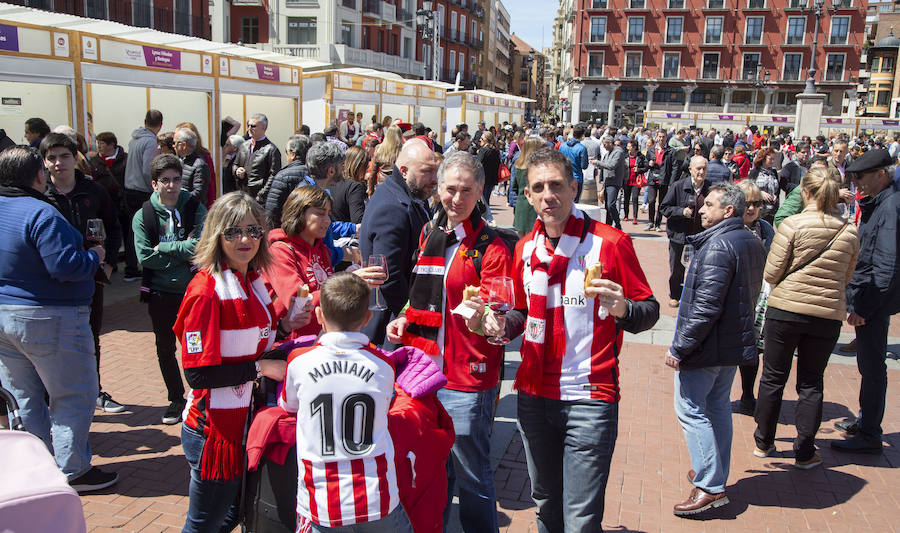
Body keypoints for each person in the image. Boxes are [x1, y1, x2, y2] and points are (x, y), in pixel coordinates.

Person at [499, 147, 658, 532]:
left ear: (574, 188)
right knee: (545, 505)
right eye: (538, 187)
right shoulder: (524, 249)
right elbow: (520, 312)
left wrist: (623, 309)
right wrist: (501, 327)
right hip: (534, 397)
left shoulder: (611, 243)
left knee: (581, 517)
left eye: (556, 185)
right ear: (529, 196)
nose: (548, 194)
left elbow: (648, 310)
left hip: (589, 397)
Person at [386, 151, 512, 533]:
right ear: (438, 187)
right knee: (431, 472)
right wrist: (404, 315)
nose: (457, 199)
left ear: (480, 192)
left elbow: (496, 307)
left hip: (467, 376)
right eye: (450, 189)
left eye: (466, 191)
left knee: (472, 476)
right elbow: (422, 291)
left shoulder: (492, 245)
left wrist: (485, 315)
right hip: (424, 372)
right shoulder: (430, 233)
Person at [0, 146, 118, 492]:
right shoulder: (41, 213)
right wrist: (94, 256)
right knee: (73, 394)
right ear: (38, 175)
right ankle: (73, 470)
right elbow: (66, 267)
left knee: (24, 396)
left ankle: (36, 467)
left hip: (6, 317)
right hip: (50, 317)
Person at [174, 192, 292, 533]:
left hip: (242, 425)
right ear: (216, 235)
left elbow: (251, 341)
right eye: (234, 232)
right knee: (204, 525)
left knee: (229, 516)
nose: (246, 240)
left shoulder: (250, 280)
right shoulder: (206, 292)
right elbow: (197, 374)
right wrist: (261, 369)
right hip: (212, 433)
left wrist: (286, 326)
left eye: (254, 231)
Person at [281, 273, 416, 532]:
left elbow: (289, 406)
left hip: (322, 497)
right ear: (367, 318)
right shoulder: (383, 364)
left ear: (319, 316)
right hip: (376, 494)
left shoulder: (298, 362)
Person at [666, 183, 765, 516]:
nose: (702, 209)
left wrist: (680, 347)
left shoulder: (720, 246)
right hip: (729, 344)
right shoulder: (748, 241)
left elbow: (706, 307)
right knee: (717, 407)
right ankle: (714, 474)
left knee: (692, 409)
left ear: (728, 211)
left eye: (709, 205)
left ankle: (710, 484)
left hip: (709, 346)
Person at [753, 168, 859, 468]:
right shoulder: (848, 230)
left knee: (773, 376)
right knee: (812, 382)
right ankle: (804, 449)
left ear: (806, 193)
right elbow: (847, 276)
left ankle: (764, 440)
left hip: (786, 308)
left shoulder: (792, 225)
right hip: (826, 314)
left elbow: (772, 273)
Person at [41, 132, 123, 413]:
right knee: (53, 342)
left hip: (90, 279)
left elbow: (113, 227)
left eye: (64, 156)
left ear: (75, 157)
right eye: (51, 158)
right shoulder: (41, 197)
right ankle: (55, 397)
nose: (58, 163)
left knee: (90, 338)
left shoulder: (93, 191)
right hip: (52, 283)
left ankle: (94, 391)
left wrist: (110, 263)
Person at [832, 149, 900, 454]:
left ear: (881, 174)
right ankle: (866, 421)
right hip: (871, 299)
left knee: (872, 368)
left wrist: (864, 308)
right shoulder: (882, 202)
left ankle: (870, 433)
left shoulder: (890, 207)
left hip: (873, 302)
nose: (857, 184)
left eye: (862, 178)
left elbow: (885, 266)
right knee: (868, 366)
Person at [133, 154, 208, 424]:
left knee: (196, 345)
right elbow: (144, 257)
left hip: (193, 291)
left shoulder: (194, 208)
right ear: (154, 184)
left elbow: (201, 247)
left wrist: (164, 248)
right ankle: (176, 398)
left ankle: (200, 396)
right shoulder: (144, 215)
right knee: (164, 347)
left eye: (176, 179)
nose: (172, 186)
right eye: (165, 180)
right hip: (160, 292)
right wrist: (183, 252)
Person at [359, 139, 438, 346]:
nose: (434, 179)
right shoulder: (393, 207)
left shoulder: (405, 195)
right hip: (390, 325)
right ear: (403, 171)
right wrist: (410, 315)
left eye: (435, 171)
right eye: (427, 172)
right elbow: (389, 274)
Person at [263, 186, 336, 340]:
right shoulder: (280, 251)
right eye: (321, 213)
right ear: (299, 213)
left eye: (329, 214)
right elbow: (298, 303)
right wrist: (344, 286)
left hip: (320, 341)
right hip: (289, 344)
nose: (327, 220)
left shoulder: (323, 251)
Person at [733, 180, 775, 415]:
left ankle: (748, 395)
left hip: (758, 298)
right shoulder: (728, 226)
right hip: (733, 295)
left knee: (752, 350)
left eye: (756, 203)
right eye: (747, 203)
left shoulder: (766, 230)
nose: (751, 208)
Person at [660, 156, 710, 308]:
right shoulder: (678, 186)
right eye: (698, 168)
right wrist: (681, 211)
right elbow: (664, 208)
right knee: (677, 268)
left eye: (704, 169)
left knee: (701, 268)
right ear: (690, 170)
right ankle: (675, 294)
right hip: (679, 235)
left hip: (701, 236)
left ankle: (696, 296)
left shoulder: (711, 188)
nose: (701, 172)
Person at [123, 109, 164, 281]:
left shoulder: (134, 139)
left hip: (129, 188)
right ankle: (138, 267)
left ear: (145, 121)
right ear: (161, 125)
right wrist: (155, 189)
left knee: (130, 230)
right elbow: (149, 170)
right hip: (142, 190)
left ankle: (131, 266)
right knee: (144, 230)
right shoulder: (150, 142)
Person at [234, 113, 282, 204]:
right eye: (248, 125)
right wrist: (237, 170)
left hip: (259, 198)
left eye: (253, 126)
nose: (249, 128)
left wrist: (261, 195)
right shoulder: (244, 145)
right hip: (243, 194)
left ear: (264, 128)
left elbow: (274, 176)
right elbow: (235, 164)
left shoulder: (271, 149)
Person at [264, 134, 311, 228]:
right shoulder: (316, 173)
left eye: (286, 152)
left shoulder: (282, 176)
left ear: (293, 154)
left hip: (287, 231)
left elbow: (272, 212)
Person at [512, 137, 545, 237]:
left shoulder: (518, 164)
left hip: (521, 202)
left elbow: (514, 187)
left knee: (520, 237)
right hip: (534, 203)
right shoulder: (537, 167)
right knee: (533, 236)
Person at [330, 145, 368, 225]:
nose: (367, 168)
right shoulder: (355, 187)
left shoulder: (331, 181)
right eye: (366, 165)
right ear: (359, 166)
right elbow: (358, 220)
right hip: (347, 233)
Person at [646, 130, 675, 232]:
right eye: (660, 137)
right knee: (651, 200)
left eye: (663, 137)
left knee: (661, 203)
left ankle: (658, 223)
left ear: (666, 138)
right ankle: (650, 222)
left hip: (664, 179)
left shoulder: (671, 151)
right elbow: (645, 164)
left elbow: (674, 167)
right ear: (656, 137)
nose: (661, 139)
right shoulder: (651, 150)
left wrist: (671, 182)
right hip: (652, 179)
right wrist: (649, 164)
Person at [174, 128, 210, 207]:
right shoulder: (176, 161)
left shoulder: (200, 165)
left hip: (191, 212)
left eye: (175, 143)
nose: (173, 146)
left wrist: (176, 197)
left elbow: (199, 193)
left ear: (184, 145)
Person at [597, 134, 627, 229]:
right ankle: (608, 225)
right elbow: (604, 165)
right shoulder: (608, 153)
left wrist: (597, 162)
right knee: (607, 206)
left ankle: (618, 224)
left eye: (605, 144)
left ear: (610, 143)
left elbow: (611, 165)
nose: (604, 147)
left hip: (614, 182)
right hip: (607, 181)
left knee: (611, 204)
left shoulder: (618, 152)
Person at [367, 125, 403, 196]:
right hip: (398, 184)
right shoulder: (403, 150)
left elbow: (373, 172)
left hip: (382, 183)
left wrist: (371, 191)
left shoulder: (379, 148)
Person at [557, 125, 589, 202]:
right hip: (576, 178)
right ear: (582, 135)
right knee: (575, 203)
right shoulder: (582, 148)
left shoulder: (562, 146)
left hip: (563, 176)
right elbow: (584, 166)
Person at [748, 148, 780, 224]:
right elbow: (749, 187)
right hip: (759, 208)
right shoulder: (755, 172)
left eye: (773, 159)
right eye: (770, 159)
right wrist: (760, 193)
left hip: (771, 209)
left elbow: (777, 187)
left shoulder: (774, 172)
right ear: (763, 158)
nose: (772, 161)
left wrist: (776, 195)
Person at [476, 131, 501, 221]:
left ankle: (487, 219)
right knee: (486, 200)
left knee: (482, 202)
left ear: (486, 140)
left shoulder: (483, 151)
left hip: (482, 180)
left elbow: (478, 164)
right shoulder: (496, 151)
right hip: (492, 180)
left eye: (482, 139)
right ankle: (487, 219)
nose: (480, 140)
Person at [623, 139, 648, 224]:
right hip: (626, 180)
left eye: (629, 146)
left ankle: (635, 217)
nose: (628, 148)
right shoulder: (625, 156)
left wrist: (639, 170)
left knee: (634, 198)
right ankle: (626, 215)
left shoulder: (640, 156)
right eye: (628, 146)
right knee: (626, 198)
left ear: (634, 147)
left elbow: (646, 167)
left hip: (636, 180)